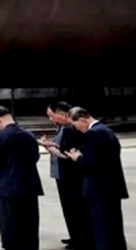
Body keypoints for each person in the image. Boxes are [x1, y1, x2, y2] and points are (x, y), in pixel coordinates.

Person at [0, 105, 44, 250]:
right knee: (30, 226)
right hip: (29, 187)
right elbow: (35, 157)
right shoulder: (29, 135)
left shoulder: (0, 137)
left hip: (8, 188)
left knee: (11, 227)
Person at [67, 108, 128, 250]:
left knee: (102, 229)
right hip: (110, 187)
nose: (75, 129)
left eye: (75, 125)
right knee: (113, 228)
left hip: (100, 188)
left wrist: (78, 157)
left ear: (82, 120)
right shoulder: (105, 130)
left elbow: (92, 162)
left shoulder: (93, 133)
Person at [38, 102, 89, 250]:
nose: (51, 120)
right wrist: (51, 145)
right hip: (61, 174)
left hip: (71, 175)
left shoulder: (72, 129)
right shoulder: (61, 128)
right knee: (68, 208)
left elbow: (67, 154)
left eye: (51, 116)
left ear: (62, 114)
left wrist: (49, 147)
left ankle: (80, 239)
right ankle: (74, 236)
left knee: (75, 209)